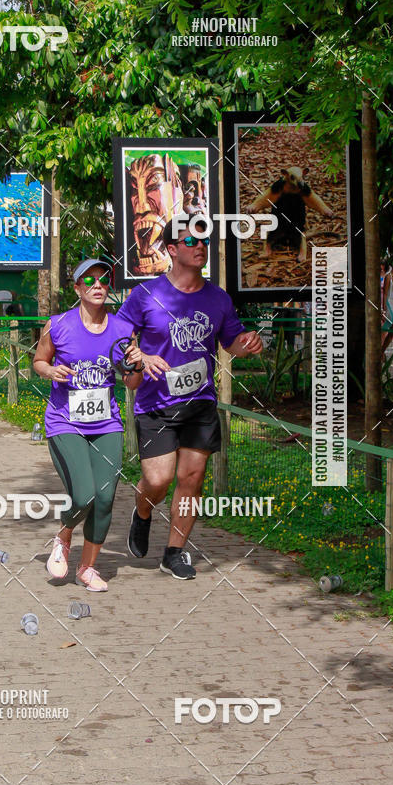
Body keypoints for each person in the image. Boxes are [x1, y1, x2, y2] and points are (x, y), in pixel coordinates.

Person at [118, 220, 263, 579]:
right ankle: (143, 511)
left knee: (192, 477)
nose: (201, 245)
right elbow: (119, 337)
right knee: (158, 479)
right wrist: (137, 356)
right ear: (170, 249)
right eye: (191, 240)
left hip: (200, 401)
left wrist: (249, 344)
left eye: (205, 240)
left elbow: (232, 342)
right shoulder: (146, 295)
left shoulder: (218, 297)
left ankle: (175, 551)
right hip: (155, 403)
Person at [33, 259, 142, 592]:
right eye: (89, 280)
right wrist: (50, 371)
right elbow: (39, 360)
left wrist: (135, 367)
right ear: (78, 288)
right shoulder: (58, 325)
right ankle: (64, 537)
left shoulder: (123, 329)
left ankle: (87, 568)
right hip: (65, 422)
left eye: (103, 280)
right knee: (83, 495)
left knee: (106, 497)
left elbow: (132, 383)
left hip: (106, 423)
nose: (98, 285)